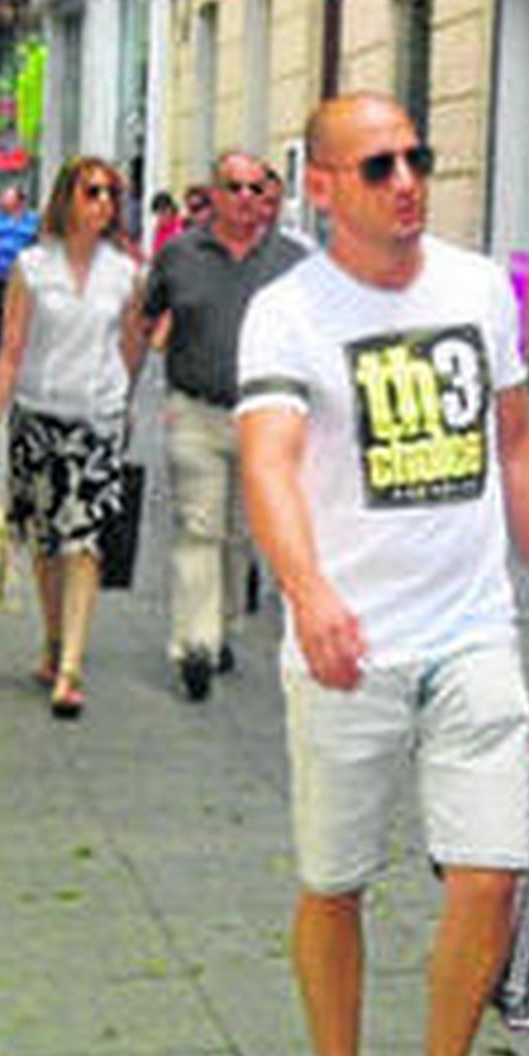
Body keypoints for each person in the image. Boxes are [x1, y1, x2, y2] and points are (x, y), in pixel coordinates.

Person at [237, 91, 529, 1056]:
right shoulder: (287, 312)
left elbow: (520, 449)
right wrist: (310, 595)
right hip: (349, 647)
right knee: (334, 882)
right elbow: (268, 463)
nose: (406, 180)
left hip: (472, 631)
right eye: (377, 165)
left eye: (416, 157)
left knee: (489, 873)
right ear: (324, 186)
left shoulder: (478, 288)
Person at [0, 157, 146, 718]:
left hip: (96, 421)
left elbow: (132, 344)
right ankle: (52, 640)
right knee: (46, 542)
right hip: (38, 416)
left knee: (84, 542)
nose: (103, 203)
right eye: (92, 192)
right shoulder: (31, 267)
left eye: (111, 194)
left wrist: (123, 402)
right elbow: (10, 351)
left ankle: (70, 667)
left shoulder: (126, 273)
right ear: (66, 198)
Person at [140, 151, 308, 701]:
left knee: (240, 534)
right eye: (233, 187)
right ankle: (194, 644)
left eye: (255, 188)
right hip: (195, 409)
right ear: (212, 195)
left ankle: (225, 621)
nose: (245, 198)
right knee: (198, 527)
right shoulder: (179, 254)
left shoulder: (293, 261)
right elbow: (148, 317)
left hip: (265, 420)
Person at [0, 184, 41, 350]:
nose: (2, 200)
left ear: (19, 201)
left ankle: (10, 344)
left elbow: (40, 243)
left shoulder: (33, 220)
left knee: (17, 311)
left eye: (7, 197)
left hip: (23, 275)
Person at [148, 189, 185, 258]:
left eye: (164, 208)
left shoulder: (181, 224)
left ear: (171, 208)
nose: (162, 212)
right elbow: (154, 256)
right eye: (158, 210)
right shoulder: (158, 233)